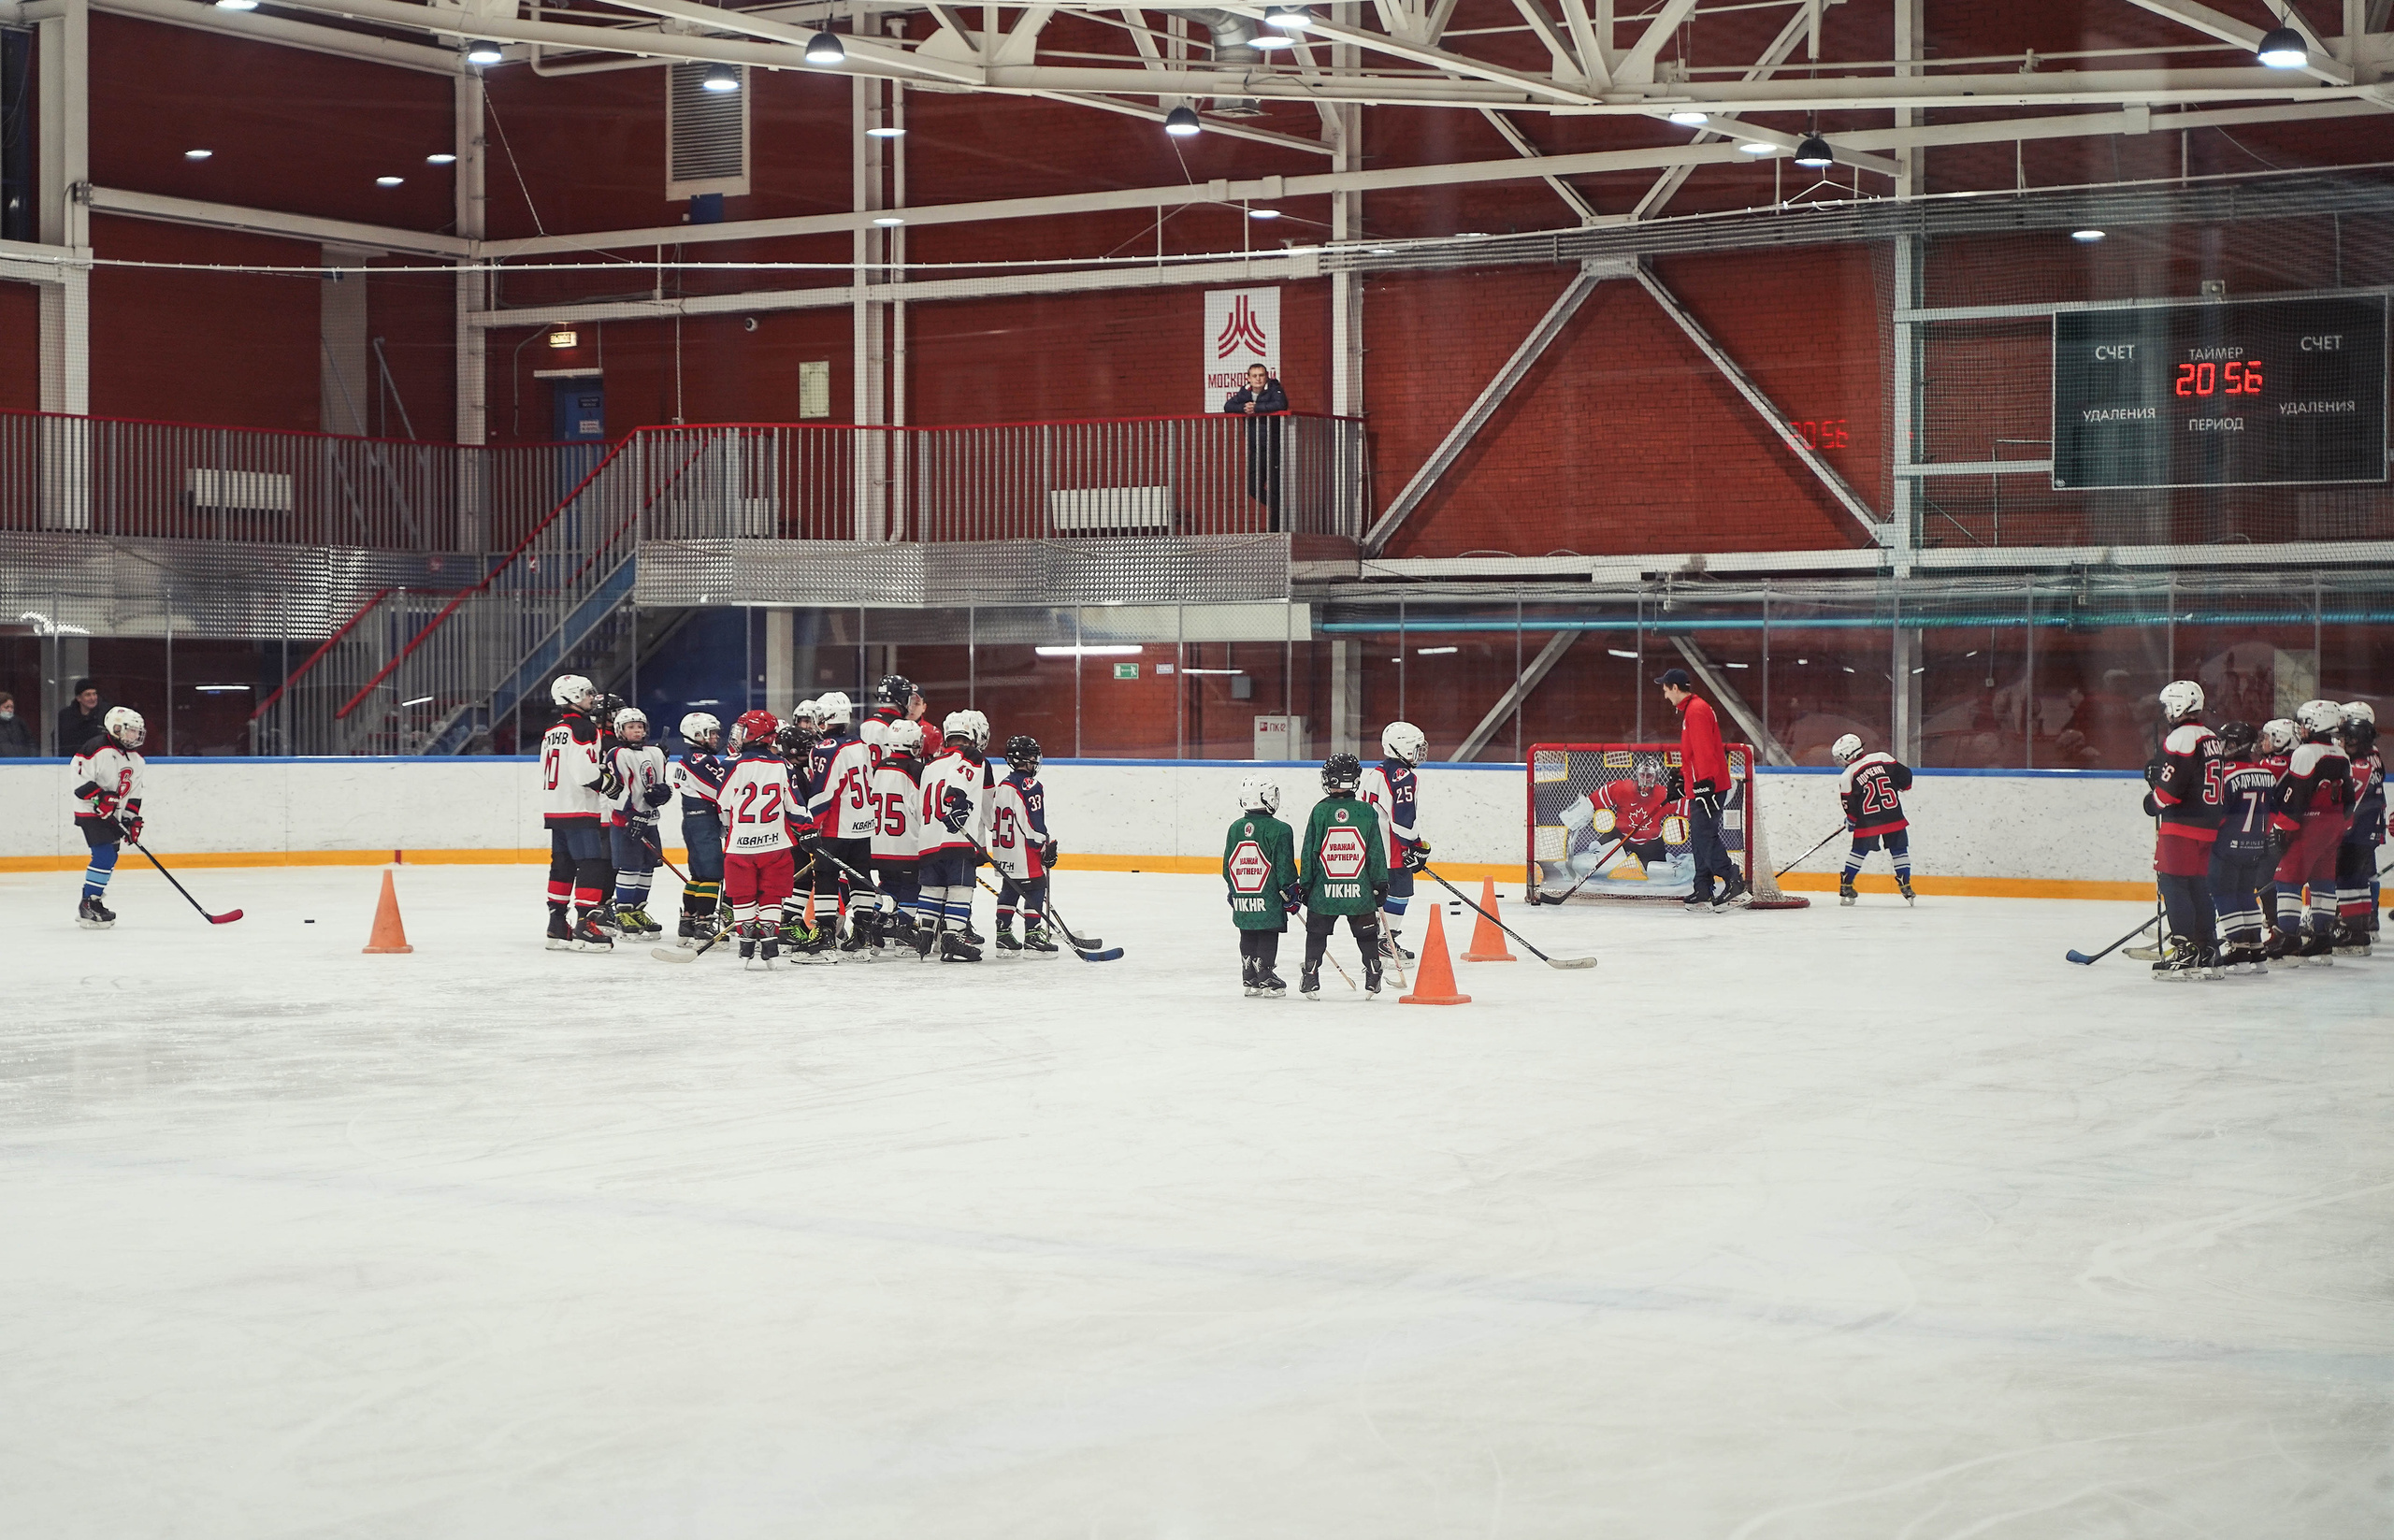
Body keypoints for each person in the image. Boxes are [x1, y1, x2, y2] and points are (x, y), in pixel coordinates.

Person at [2143, 679, 2223, 980]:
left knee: (2174, 883)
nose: (2165, 712)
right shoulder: (2210, 736)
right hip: (2207, 825)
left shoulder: (2180, 738)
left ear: (2179, 704)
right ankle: (2207, 949)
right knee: (2198, 885)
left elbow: (2171, 791)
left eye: (2167, 705)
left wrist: (2153, 800)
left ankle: (2184, 950)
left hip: (2182, 826)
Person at [540, 675, 622, 952]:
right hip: (579, 807)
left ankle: (556, 924)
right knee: (592, 862)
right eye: (587, 694)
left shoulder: (552, 730)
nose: (592, 699)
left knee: (561, 863)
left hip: (555, 807)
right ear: (572, 697)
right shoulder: (585, 728)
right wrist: (608, 783)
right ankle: (585, 923)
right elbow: (585, 773)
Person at [1296, 754, 1389, 1000]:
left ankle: (1311, 975)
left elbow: (1310, 852)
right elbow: (1375, 852)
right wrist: (1380, 883)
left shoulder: (1320, 811)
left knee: (1316, 933)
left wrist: (1305, 885)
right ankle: (1373, 972)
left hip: (1324, 893)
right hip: (1359, 892)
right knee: (1366, 933)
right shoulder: (1366, 811)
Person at [2270, 698, 2352, 966]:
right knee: (2322, 879)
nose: (2301, 728)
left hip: (2310, 824)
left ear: (2317, 724)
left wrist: (2284, 826)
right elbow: (2349, 798)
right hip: (2334, 824)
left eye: (2304, 723)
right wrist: (2341, 824)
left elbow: (2297, 796)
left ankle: (2288, 939)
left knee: (2288, 879)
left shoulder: (2306, 753)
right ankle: (2322, 939)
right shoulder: (2341, 754)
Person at [1545, 751, 1693, 899]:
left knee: (1665, 875)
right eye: (1643, 775)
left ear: (1656, 777)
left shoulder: (1665, 794)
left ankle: (1671, 859)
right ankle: (1587, 856)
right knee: (1589, 862)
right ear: (1637, 774)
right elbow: (1590, 803)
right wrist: (1573, 817)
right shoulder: (1621, 788)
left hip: (1651, 843)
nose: (1646, 779)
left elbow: (1691, 810)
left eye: (1649, 776)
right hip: (1619, 836)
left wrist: (1703, 806)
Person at [1655, 669, 1745, 911]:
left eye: (1665, 689)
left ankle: (1732, 877)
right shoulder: (1693, 709)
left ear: (1675, 688)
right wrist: (1682, 780)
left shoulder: (1695, 711)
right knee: (1699, 836)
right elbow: (1694, 754)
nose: (1665, 696)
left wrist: (1704, 784)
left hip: (1709, 787)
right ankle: (1703, 888)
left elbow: (1705, 752)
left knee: (1705, 835)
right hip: (1703, 786)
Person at [718, 709, 800, 969]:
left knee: (743, 896)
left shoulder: (733, 763)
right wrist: (807, 830)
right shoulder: (784, 765)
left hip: (741, 846)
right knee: (773, 895)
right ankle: (770, 944)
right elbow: (795, 806)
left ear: (753, 733)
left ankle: (745, 946)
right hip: (776, 845)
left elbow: (722, 801)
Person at [806, 691, 881, 955]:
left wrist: (810, 825)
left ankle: (826, 937)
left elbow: (824, 791)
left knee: (826, 876)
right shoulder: (860, 745)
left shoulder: (825, 748)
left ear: (827, 718)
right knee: (860, 878)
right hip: (862, 826)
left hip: (836, 827)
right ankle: (863, 937)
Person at [2207, 721, 2284, 975]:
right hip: (2254, 845)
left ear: (2236, 744)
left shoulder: (2225, 773)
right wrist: (2257, 836)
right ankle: (2256, 951)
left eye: (2226, 741)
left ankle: (2239, 950)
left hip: (2226, 845)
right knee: (2246, 895)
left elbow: (2218, 814)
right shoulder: (2265, 773)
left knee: (2224, 894)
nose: (2222, 746)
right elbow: (2273, 813)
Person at [916, 710, 991, 962]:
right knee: (960, 887)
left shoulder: (929, 765)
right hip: (956, 836)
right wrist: (956, 800)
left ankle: (925, 932)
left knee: (932, 887)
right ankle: (953, 935)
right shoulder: (972, 756)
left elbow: (917, 806)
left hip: (927, 838)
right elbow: (965, 784)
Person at [68, 706, 147, 928]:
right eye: (131, 730)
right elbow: (79, 778)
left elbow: (135, 794)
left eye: (138, 731)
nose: (136, 735)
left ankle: (93, 901)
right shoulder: (96, 747)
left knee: (110, 857)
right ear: (115, 728)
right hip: (90, 812)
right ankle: (88, 905)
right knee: (103, 855)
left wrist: (131, 820)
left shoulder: (137, 760)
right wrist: (100, 797)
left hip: (114, 814)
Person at [1223, 775, 1301, 999]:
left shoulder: (1235, 828)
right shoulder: (1280, 829)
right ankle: (1266, 975)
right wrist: (1290, 890)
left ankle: (1249, 975)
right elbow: (1284, 866)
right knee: (1267, 930)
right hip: (1268, 895)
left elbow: (1227, 866)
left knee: (1247, 929)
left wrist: (1234, 890)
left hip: (1243, 893)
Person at [1359, 721, 1429, 960]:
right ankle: (1385, 942)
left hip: (1373, 847)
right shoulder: (1402, 776)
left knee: (1381, 896)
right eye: (1416, 747)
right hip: (1392, 848)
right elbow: (1402, 819)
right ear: (1402, 749)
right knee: (1399, 892)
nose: (1421, 752)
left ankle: (1377, 943)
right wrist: (1416, 845)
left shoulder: (1378, 771)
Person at [603, 708, 672, 937]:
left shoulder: (654, 752)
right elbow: (616, 789)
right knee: (630, 866)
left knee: (647, 867)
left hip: (650, 821)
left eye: (640, 727)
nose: (637, 731)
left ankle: (638, 910)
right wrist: (630, 814)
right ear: (621, 731)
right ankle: (623, 910)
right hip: (626, 822)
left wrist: (661, 793)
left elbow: (657, 783)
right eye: (631, 727)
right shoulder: (617, 754)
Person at [989, 735, 1060, 955]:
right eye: (1032, 757)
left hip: (1003, 850)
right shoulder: (1030, 785)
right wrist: (1042, 844)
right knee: (1037, 886)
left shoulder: (1003, 785)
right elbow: (1031, 820)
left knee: (1010, 887)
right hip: (1023, 849)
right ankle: (1033, 934)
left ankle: (1003, 934)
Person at [1832, 734, 1915, 905]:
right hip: (1893, 815)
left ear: (1848, 754)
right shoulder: (1882, 757)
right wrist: (1900, 786)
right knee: (1899, 850)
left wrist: (1852, 820)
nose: (1839, 762)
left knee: (1858, 851)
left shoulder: (1847, 776)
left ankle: (1846, 884)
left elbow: (1849, 804)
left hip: (1868, 822)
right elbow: (1906, 776)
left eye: (1840, 757)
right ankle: (1905, 884)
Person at [669, 712, 729, 946]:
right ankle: (704, 923)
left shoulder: (687, 757)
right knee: (712, 874)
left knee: (698, 875)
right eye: (711, 733)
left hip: (691, 821)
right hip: (704, 820)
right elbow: (719, 793)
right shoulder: (705, 760)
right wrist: (726, 819)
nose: (716, 738)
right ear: (697, 735)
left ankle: (687, 922)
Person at [869, 717, 928, 954]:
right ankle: (904, 930)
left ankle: (875, 922)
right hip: (906, 844)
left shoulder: (878, 766)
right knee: (912, 885)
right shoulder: (917, 770)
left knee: (889, 883)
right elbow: (923, 808)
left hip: (878, 842)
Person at [2334, 702, 2383, 957]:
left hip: (2355, 836)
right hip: (2365, 834)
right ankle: (2360, 930)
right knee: (2359, 881)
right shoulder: (2368, 761)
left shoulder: (2360, 766)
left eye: (2346, 738)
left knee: (2348, 881)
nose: (2341, 742)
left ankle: (2353, 932)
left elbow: (2349, 803)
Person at [1222, 363, 1288, 528]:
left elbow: (1281, 404)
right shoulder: (1245, 392)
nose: (1258, 379)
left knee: (1275, 487)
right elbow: (1228, 406)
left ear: (1266, 376)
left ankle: (1277, 525)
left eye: (1261, 375)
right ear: (1248, 378)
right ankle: (1280, 508)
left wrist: (1257, 408)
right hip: (1256, 447)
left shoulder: (1275, 389)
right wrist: (1245, 408)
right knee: (1253, 487)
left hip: (1274, 446)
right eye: (1254, 376)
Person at [56, 678, 106, 756]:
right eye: (88, 695)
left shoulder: (105, 715)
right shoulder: (65, 716)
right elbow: (59, 742)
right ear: (79, 698)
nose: (93, 698)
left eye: (94, 694)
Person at [0, 691, 35, 756]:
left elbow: (31, 742)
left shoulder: (19, 723)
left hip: (21, 763)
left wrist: (31, 758)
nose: (10, 710)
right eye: (6, 707)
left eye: (12, 707)